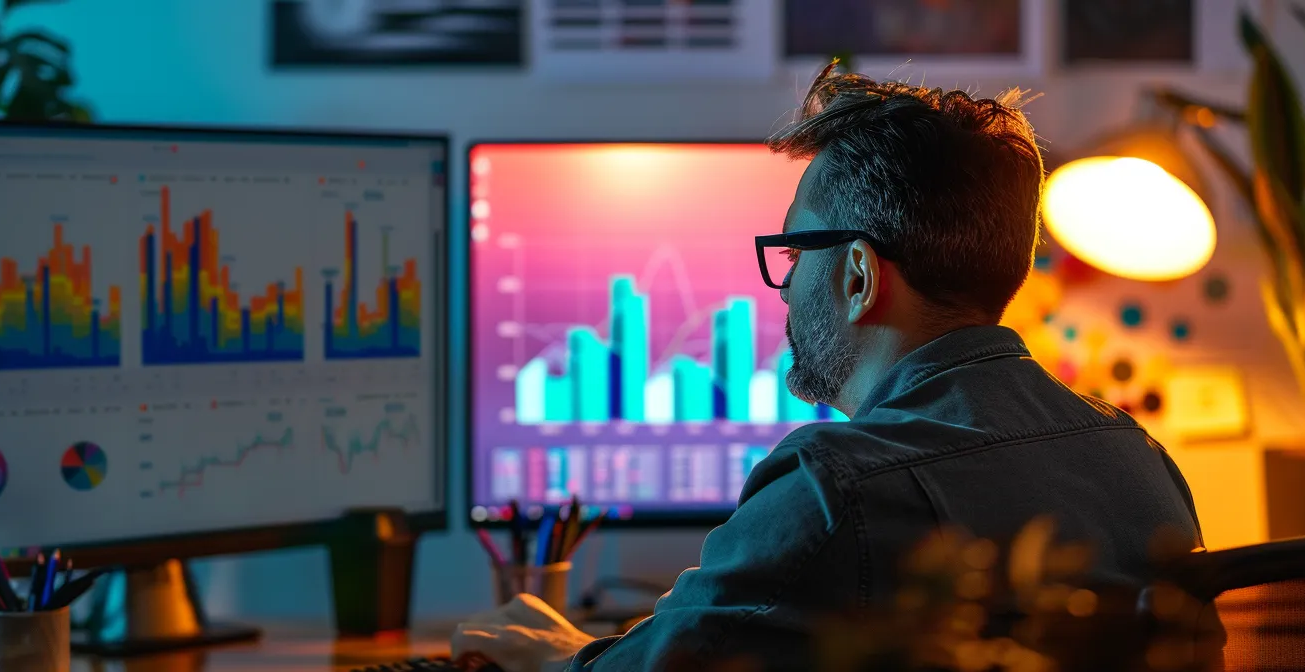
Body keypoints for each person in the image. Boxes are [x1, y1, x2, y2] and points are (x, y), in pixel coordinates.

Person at [453, 63, 1203, 672]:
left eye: (791, 255)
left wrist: (557, 658)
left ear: (855, 276)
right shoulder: (1138, 455)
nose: (782, 284)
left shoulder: (836, 483)